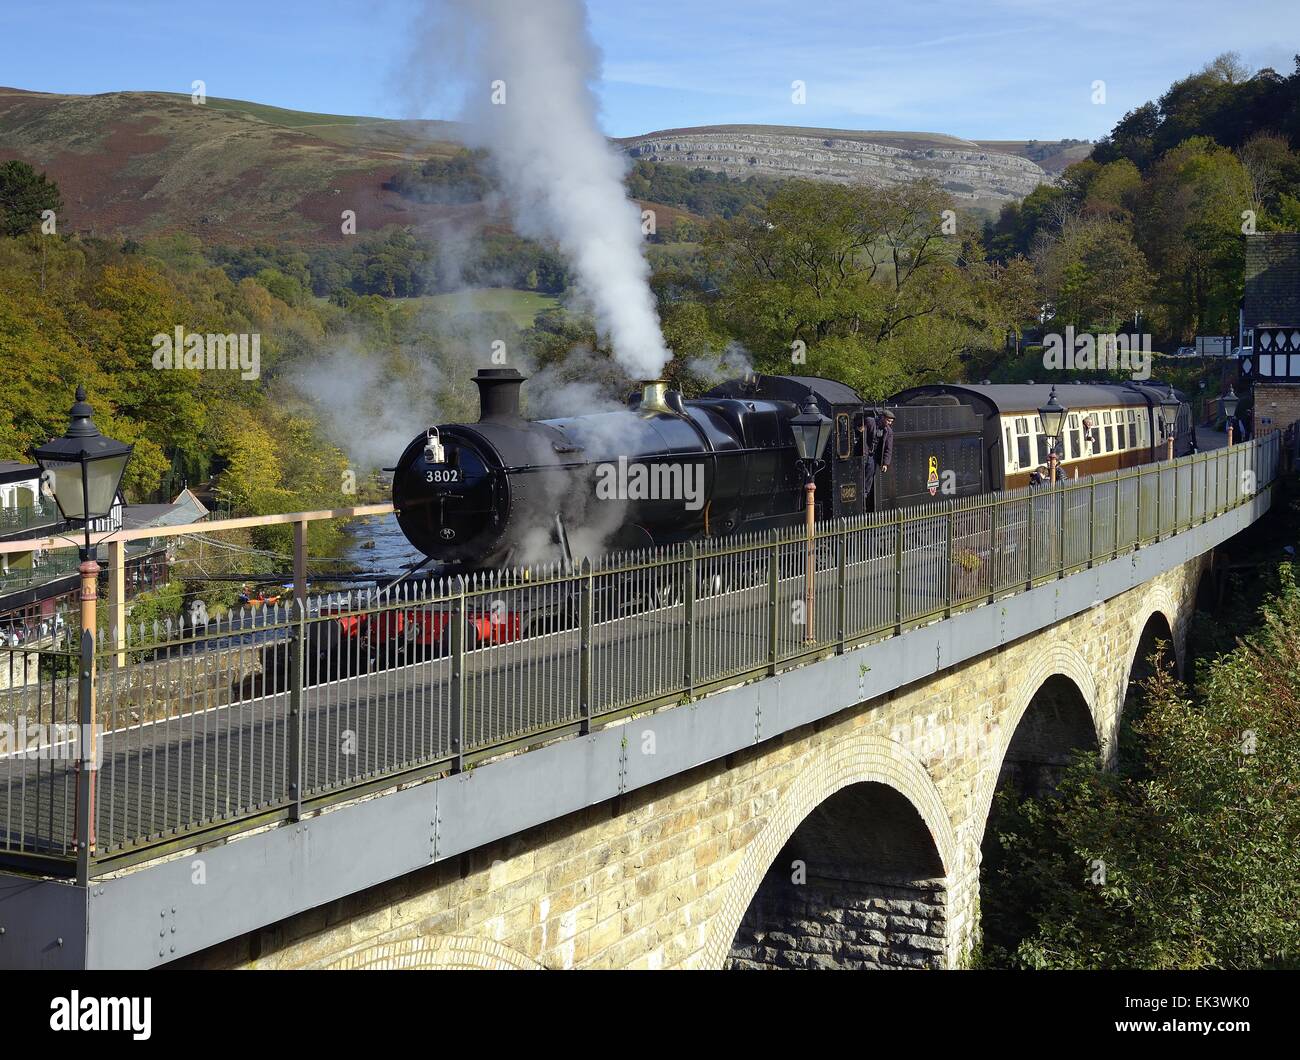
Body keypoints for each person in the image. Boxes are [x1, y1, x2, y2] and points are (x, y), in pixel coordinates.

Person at [859, 408, 895, 502]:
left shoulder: (889, 432)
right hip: (863, 452)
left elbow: (888, 449)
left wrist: (885, 464)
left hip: (873, 455)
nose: (889, 423)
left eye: (891, 421)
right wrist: (861, 427)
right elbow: (860, 424)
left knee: (869, 475)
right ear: (883, 418)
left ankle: (864, 495)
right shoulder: (870, 422)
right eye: (888, 420)